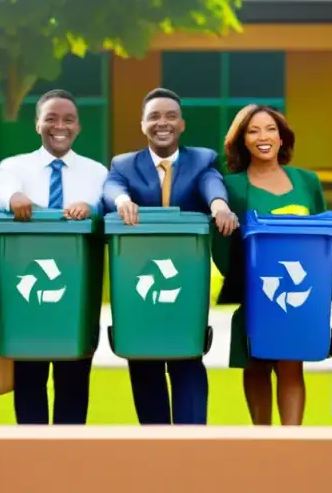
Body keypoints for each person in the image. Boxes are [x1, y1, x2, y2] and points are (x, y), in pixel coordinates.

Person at [103, 87, 238, 425]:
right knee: (143, 355)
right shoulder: (124, 164)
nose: (162, 123)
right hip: (138, 273)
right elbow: (111, 187)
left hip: (184, 275)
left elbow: (211, 182)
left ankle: (192, 442)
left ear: (182, 124)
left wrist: (218, 205)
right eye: (154, 117)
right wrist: (121, 201)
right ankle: (155, 444)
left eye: (170, 116)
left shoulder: (201, 160)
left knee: (187, 355)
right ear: (143, 124)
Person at [0, 89, 108, 425]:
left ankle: (69, 460)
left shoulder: (96, 172)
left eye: (68, 119)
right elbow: (3, 191)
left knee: (74, 381)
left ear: (78, 127)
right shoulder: (15, 166)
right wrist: (14, 197)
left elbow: (106, 204)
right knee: (29, 380)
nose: (60, 126)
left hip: (76, 294)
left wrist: (91, 208)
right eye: (52, 118)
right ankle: (32, 459)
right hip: (26, 292)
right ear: (37, 124)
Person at [215, 104, 328, 426]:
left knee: (292, 366)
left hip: (300, 291)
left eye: (270, 129)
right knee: (257, 366)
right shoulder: (233, 186)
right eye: (253, 131)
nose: (263, 137)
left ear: (282, 138)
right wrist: (240, 281)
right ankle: (261, 440)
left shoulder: (306, 181)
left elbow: (322, 237)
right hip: (256, 291)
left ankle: (292, 443)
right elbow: (222, 242)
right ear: (242, 141)